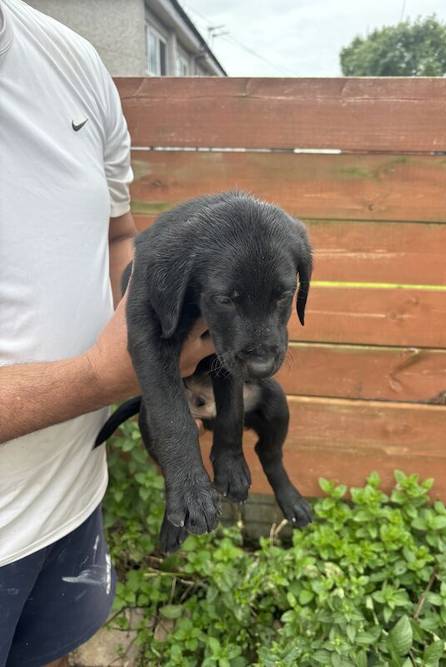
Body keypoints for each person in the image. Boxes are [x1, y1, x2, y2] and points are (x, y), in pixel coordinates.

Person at [0, 1, 214, 665]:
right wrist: (101, 375)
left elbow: (119, 236)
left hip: (69, 508)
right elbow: (104, 366)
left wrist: (165, 333)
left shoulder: (71, 62)